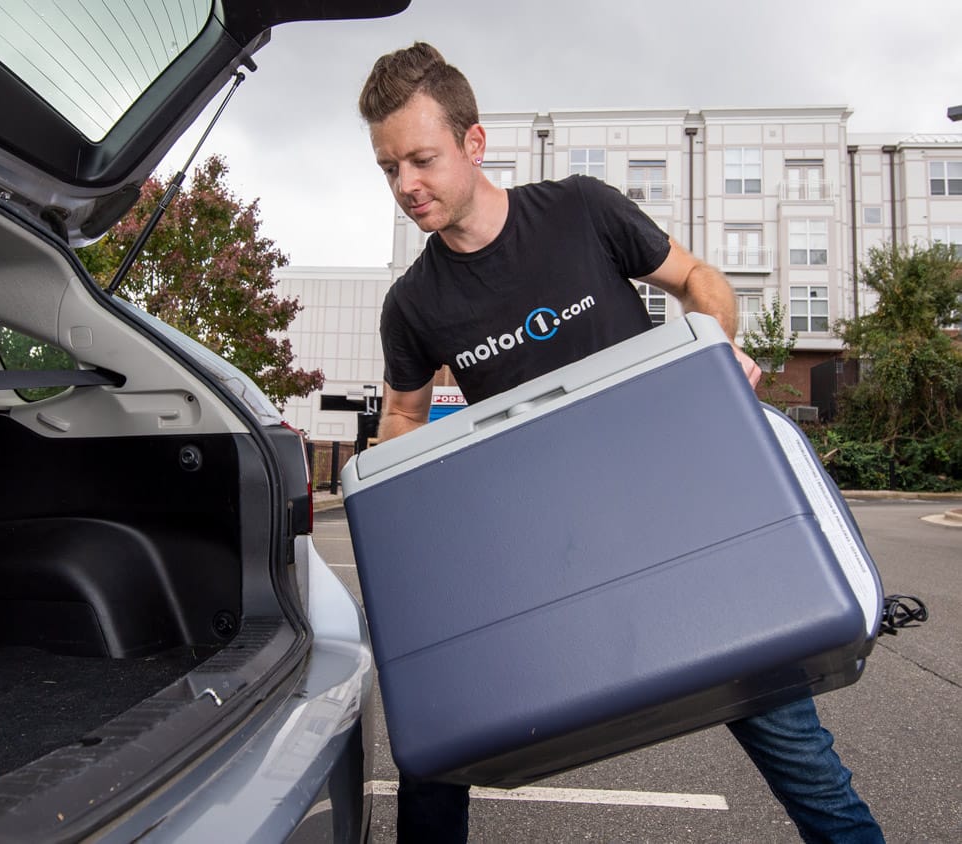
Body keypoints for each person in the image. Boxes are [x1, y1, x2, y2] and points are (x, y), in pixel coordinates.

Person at [358, 42, 884, 844]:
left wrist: (713, 355)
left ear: (473, 142)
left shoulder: (580, 209)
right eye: (389, 167)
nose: (405, 186)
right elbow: (401, 415)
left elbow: (701, 280)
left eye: (421, 160)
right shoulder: (415, 302)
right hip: (543, 547)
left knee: (801, 758)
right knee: (437, 744)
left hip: (667, 518)